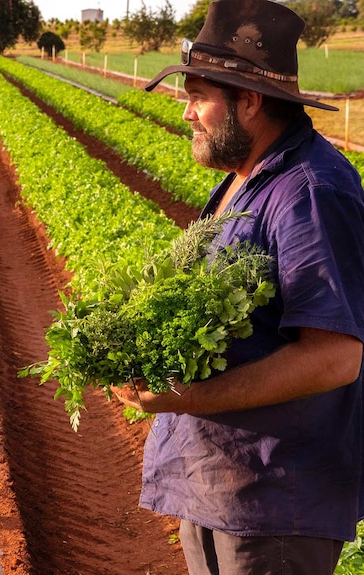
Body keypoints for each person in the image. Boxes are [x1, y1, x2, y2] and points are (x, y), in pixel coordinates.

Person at [111, 0, 364, 573]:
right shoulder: (245, 179)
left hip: (273, 499)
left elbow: (334, 357)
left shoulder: (310, 191)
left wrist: (187, 396)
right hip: (221, 485)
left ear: (248, 101)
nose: (186, 114)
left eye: (198, 97)